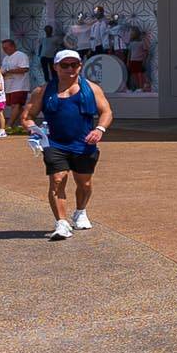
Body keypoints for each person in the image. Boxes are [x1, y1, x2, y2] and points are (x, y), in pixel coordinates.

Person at [26, 48, 111, 241]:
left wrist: (99, 130)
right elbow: (27, 116)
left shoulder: (92, 89)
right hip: (55, 143)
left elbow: (106, 112)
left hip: (84, 145)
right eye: (65, 65)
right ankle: (61, 223)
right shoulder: (43, 91)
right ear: (56, 67)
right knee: (57, 180)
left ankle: (80, 211)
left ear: (80, 66)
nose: (70, 69)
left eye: (75, 64)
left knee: (85, 183)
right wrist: (34, 130)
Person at [0, 37, 32, 132]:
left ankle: (8, 125)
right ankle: (27, 123)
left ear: (13, 47)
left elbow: (25, 69)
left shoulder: (21, 55)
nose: (4, 50)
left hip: (19, 85)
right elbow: (3, 70)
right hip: (9, 85)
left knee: (16, 105)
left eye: (6, 48)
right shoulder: (6, 58)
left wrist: (9, 71)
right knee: (17, 107)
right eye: (3, 48)